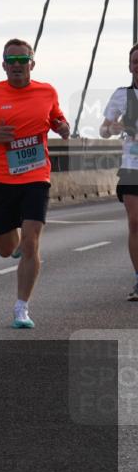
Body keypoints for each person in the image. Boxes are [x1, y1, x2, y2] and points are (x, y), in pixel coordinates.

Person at [0, 39, 70, 327]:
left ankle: (21, 308)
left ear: (32, 64)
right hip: (1, 178)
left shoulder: (47, 91)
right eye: (11, 61)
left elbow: (57, 117)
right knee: (6, 247)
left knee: (32, 242)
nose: (16, 65)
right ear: (3, 65)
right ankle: (15, 246)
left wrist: (63, 126)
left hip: (37, 176)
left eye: (22, 60)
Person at [99, 41, 138, 302]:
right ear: (130, 66)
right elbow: (104, 130)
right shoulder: (122, 95)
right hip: (132, 168)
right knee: (136, 223)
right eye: (136, 62)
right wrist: (112, 128)